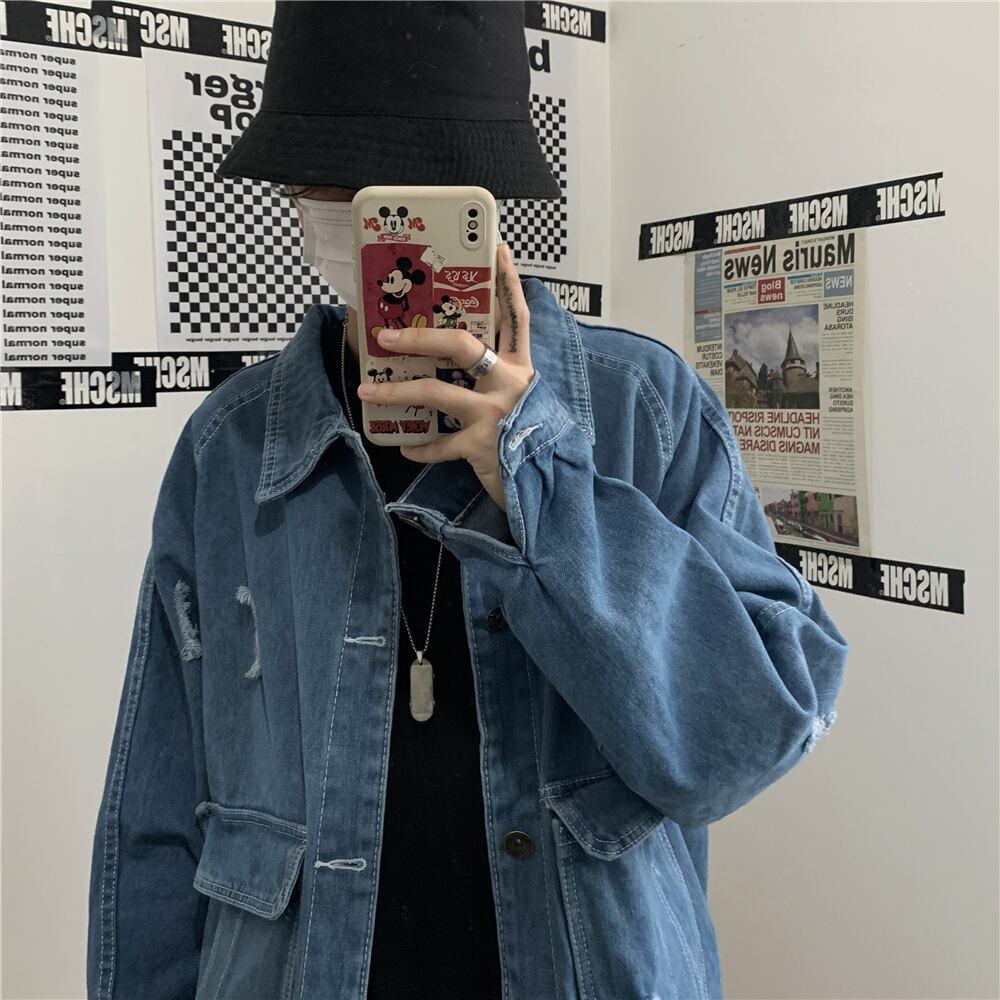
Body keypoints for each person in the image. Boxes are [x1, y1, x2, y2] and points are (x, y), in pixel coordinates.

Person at [87, 4, 849, 1000]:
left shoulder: (641, 409)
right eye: (337, 186)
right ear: (296, 191)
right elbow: (155, 805)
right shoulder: (229, 446)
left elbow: (737, 742)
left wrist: (539, 478)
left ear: (480, 208)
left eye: (409, 196)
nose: (369, 220)